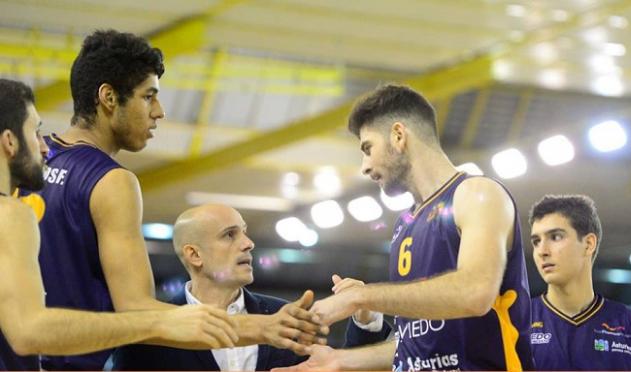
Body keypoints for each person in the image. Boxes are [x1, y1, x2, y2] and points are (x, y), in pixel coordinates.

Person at [18, 30, 323, 370]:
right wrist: (260, 326)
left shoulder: (19, 159)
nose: (159, 111)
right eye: (148, 97)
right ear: (108, 97)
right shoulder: (111, 181)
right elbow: (139, 312)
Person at [283, 84, 534, 371]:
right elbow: (415, 342)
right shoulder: (405, 224)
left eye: (368, 148)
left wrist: (359, 297)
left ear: (398, 135)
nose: (364, 166)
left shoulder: (476, 193)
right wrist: (340, 360)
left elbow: (475, 292)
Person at [0, 78, 240, 371]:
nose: (43, 146)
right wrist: (161, 320)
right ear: (10, 141)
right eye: (34, 132)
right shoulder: (11, 214)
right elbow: (29, 331)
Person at [113, 204, 389, 371]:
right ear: (194, 255)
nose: (248, 243)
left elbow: (339, 367)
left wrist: (365, 319)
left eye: (244, 232)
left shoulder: (284, 316)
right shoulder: (152, 332)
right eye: (230, 235)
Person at [528, 194, 631, 370]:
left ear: (589, 244)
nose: (542, 251)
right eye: (536, 241)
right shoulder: (518, 322)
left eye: (556, 237)